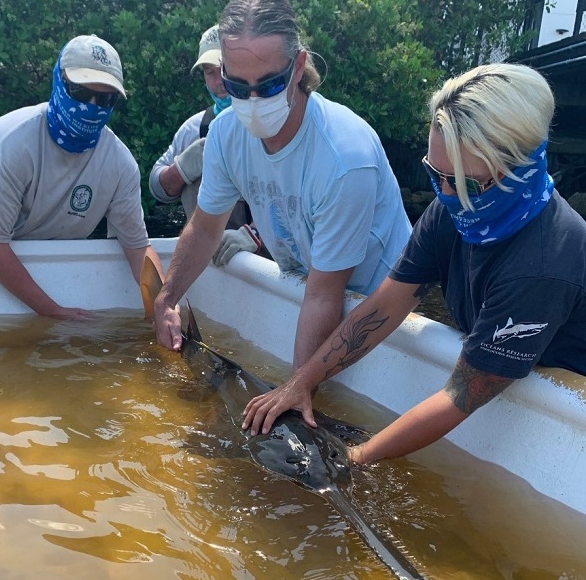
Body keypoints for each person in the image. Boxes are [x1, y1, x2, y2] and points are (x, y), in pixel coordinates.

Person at [242, 62, 586, 466]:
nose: (443, 192)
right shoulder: (453, 209)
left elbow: (460, 394)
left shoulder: (544, 265)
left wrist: (352, 459)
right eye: (434, 173)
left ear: (518, 168)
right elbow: (388, 304)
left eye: (461, 181)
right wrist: (302, 381)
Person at [153, 0, 411, 368]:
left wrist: (295, 388)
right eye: (238, 86)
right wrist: (166, 297)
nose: (253, 100)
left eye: (270, 84)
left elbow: (326, 296)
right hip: (308, 279)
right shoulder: (225, 135)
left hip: (379, 303)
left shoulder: (344, 157)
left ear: (298, 66)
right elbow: (206, 228)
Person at [0, 34, 163, 319]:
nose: (91, 105)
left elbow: (137, 246)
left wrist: (164, 308)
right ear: (58, 80)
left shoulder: (120, 164)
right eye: (79, 92)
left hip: (58, 269)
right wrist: (52, 311)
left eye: (104, 98)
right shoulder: (8, 144)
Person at [148, 24, 258, 265]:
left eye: (223, 70)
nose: (218, 81)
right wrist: (184, 167)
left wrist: (254, 235)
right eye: (209, 72)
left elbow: (292, 199)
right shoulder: (194, 127)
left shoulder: (264, 124)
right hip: (204, 261)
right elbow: (157, 188)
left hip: (259, 266)